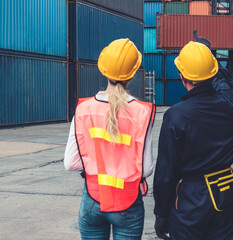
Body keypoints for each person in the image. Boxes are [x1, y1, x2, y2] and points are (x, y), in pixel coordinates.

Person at [64, 38, 155, 240]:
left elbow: (71, 163)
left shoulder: (83, 109)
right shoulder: (142, 112)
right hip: (128, 203)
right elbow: (146, 168)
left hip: (93, 198)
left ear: (103, 70)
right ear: (132, 75)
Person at [153, 40, 233, 240]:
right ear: (212, 73)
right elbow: (223, 84)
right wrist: (208, 58)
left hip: (190, 198)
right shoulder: (228, 105)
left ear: (182, 76)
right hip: (224, 193)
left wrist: (161, 213)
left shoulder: (175, 115)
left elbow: (165, 173)